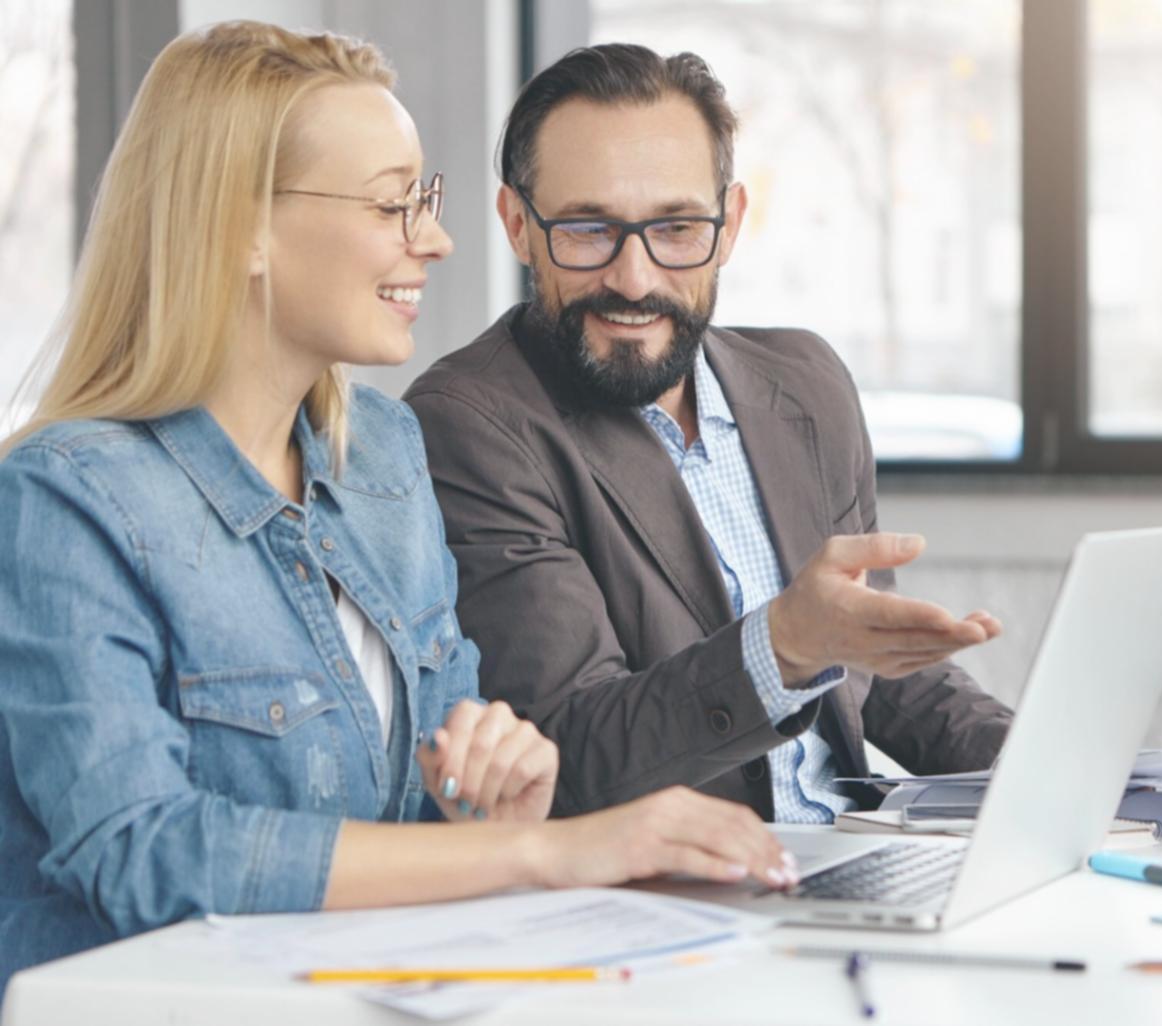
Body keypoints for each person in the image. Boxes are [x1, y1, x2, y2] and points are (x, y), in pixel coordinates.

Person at [0, 23, 791, 997]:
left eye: (426, 199)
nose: (436, 238)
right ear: (238, 224)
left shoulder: (380, 453)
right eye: (392, 204)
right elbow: (142, 850)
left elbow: (423, 808)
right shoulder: (61, 498)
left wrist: (496, 799)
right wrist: (545, 853)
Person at [404, 44, 1013, 824]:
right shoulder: (470, 423)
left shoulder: (806, 381)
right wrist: (782, 647)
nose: (634, 277)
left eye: (677, 227)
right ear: (518, 226)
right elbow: (568, 749)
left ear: (728, 227)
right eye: (589, 230)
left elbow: (876, 673)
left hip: (852, 854)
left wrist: (1049, 775)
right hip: (681, 893)